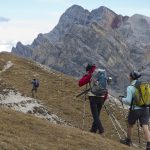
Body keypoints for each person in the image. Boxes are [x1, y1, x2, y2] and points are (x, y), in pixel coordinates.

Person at [119, 71, 150, 150]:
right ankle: (149, 145)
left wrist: (122, 99)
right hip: (146, 108)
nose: (128, 77)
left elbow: (128, 101)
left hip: (135, 109)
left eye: (129, 75)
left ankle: (128, 141)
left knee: (130, 124)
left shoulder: (130, 87)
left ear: (131, 77)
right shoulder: (143, 85)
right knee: (145, 125)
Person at [86, 64, 108, 135]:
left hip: (93, 96)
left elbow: (80, 83)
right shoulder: (102, 74)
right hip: (101, 96)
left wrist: (85, 77)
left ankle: (101, 130)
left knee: (95, 116)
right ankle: (93, 130)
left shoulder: (91, 74)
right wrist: (104, 98)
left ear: (88, 70)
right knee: (97, 115)